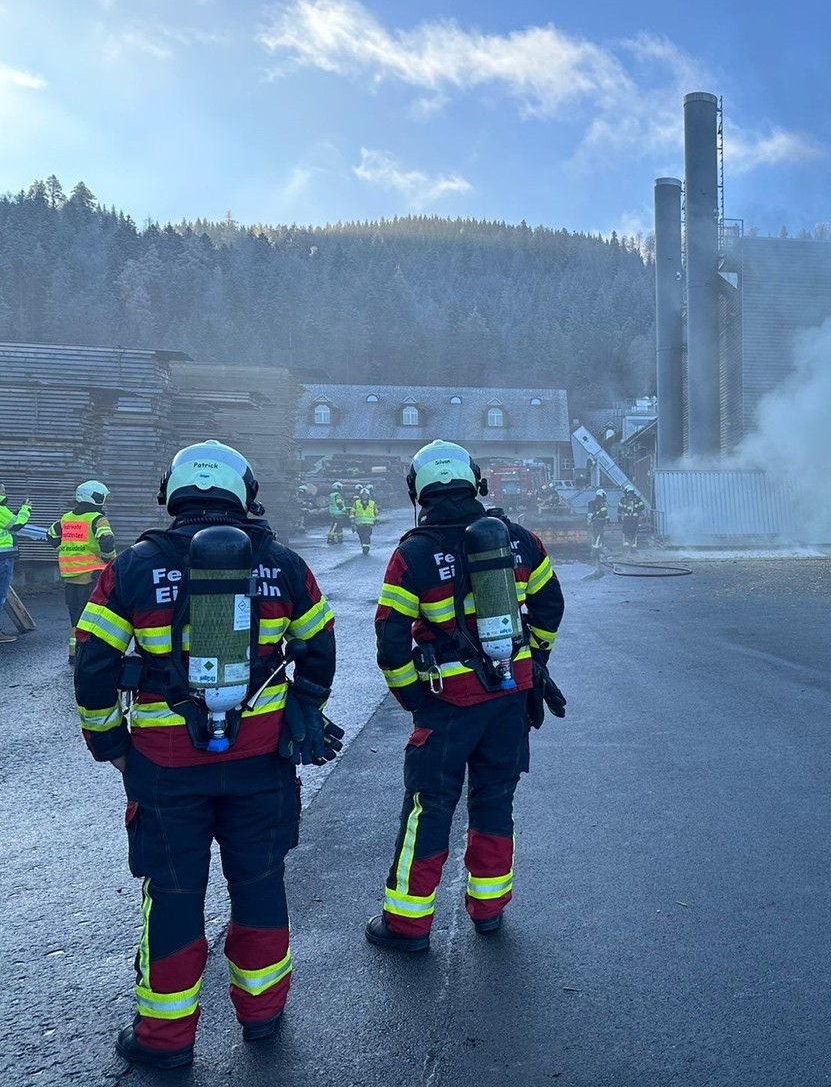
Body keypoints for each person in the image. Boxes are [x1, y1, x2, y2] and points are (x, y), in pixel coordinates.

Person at [73, 440, 341, 1069]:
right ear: (244, 494)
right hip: (261, 763)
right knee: (260, 882)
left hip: (165, 767)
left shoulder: (133, 567)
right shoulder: (283, 563)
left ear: (172, 493)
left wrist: (111, 745)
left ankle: (164, 1040)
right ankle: (263, 1015)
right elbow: (320, 645)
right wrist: (303, 704)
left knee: (171, 892)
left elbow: (93, 665)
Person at [366, 440, 565, 950]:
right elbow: (550, 606)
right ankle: (489, 910)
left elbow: (390, 637)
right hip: (510, 697)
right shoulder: (519, 540)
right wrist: (535, 660)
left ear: (418, 492)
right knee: (495, 799)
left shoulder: (413, 554)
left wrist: (414, 698)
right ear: (477, 483)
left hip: (448, 704)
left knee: (429, 807)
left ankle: (407, 925)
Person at [47, 481, 116, 663]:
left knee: (75, 617)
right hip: (92, 575)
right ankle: (90, 654)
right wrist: (109, 559)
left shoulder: (66, 518)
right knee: (94, 617)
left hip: (70, 577)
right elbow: (107, 541)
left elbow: (51, 535)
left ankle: (74, 653)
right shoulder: (98, 519)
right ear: (96, 498)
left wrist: (64, 548)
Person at [0, 481, 31, 645]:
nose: (5, 492)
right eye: (2, 490)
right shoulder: (0, 508)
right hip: (3, 556)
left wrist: (16, 513)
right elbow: (17, 524)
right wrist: (26, 509)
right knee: (1, 594)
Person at [352, 485, 379, 555]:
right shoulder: (356, 503)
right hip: (359, 524)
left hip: (368, 524)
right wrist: (352, 522)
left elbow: (376, 512)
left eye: (366, 495)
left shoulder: (372, 503)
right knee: (361, 537)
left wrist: (377, 520)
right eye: (363, 495)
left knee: (367, 536)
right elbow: (352, 512)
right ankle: (363, 546)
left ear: (368, 496)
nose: (364, 496)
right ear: (361, 496)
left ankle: (366, 549)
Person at [618, 484, 645, 548]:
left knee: (626, 530)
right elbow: (642, 507)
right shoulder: (637, 499)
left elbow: (619, 509)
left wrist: (619, 517)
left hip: (627, 518)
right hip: (634, 518)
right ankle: (633, 544)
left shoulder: (623, 499)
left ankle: (626, 543)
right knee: (634, 531)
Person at [587, 488, 609, 556]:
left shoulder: (594, 502)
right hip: (600, 521)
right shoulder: (601, 502)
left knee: (595, 534)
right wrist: (608, 519)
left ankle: (597, 547)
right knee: (599, 534)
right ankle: (596, 549)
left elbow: (590, 514)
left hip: (595, 521)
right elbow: (604, 511)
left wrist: (589, 522)